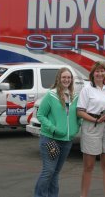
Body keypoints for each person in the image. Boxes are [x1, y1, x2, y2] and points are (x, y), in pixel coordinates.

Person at [34, 67, 81, 197]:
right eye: (64, 77)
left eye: (69, 78)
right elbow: (41, 114)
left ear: (72, 80)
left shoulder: (74, 96)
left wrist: (75, 129)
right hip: (51, 139)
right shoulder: (51, 95)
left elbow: (78, 117)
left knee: (55, 172)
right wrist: (53, 128)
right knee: (48, 171)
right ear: (59, 79)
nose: (66, 80)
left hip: (67, 141)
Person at [77, 61, 105, 197]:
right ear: (92, 74)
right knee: (89, 166)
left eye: (102, 71)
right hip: (92, 126)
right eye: (97, 71)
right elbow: (80, 111)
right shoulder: (86, 89)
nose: (100, 73)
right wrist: (95, 120)